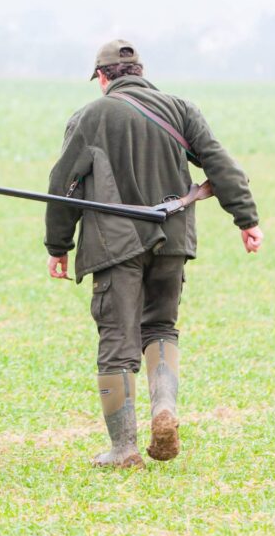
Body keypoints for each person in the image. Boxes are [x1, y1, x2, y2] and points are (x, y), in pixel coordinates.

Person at [45, 39, 263, 468]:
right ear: (141, 72)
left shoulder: (91, 116)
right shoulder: (180, 109)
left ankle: (124, 449)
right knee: (161, 326)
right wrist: (246, 219)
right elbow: (219, 164)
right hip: (173, 238)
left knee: (116, 341)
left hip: (114, 246)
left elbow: (62, 185)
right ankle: (165, 408)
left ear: (102, 78)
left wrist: (58, 245)